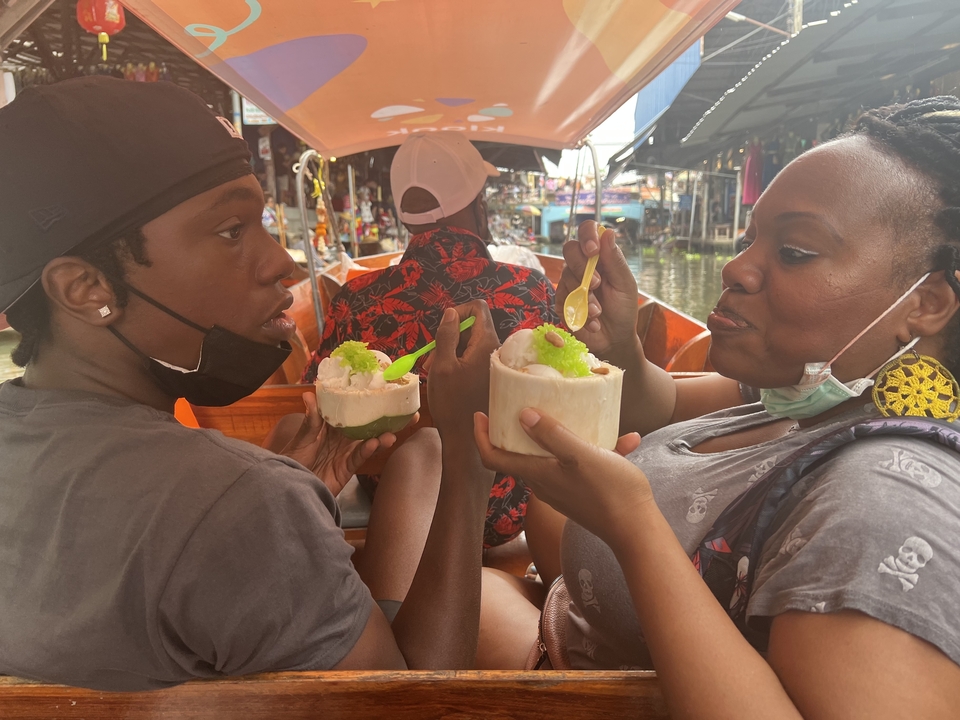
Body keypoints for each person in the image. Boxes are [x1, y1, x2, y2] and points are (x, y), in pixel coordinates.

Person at [0, 77, 500, 690]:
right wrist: (468, 462)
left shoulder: (243, 502)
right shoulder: (236, 505)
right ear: (86, 289)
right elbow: (407, 708)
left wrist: (289, 511)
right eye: (231, 230)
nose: (282, 263)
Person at [473, 98, 960, 717]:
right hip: (569, 613)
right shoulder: (807, 391)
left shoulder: (887, 501)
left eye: (794, 251)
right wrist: (619, 347)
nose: (736, 268)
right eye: (750, 239)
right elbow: (662, 404)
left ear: (926, 304)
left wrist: (632, 524)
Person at [302, 131, 560, 550]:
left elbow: (313, 396)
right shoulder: (531, 289)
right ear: (479, 204)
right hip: (506, 511)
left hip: (394, 507)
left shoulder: (354, 299)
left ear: (406, 217)